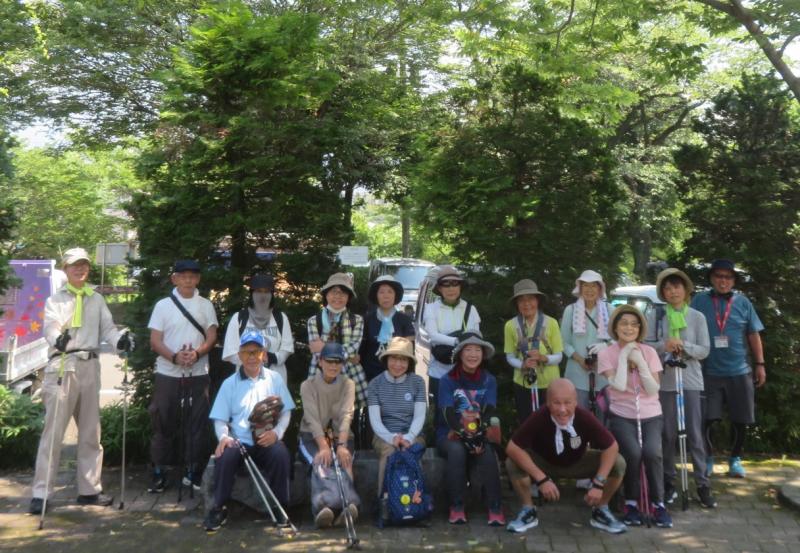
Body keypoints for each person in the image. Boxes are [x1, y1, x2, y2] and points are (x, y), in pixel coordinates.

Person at [29, 248, 133, 514]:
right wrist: (58, 339)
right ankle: (41, 493)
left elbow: (108, 328)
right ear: (66, 268)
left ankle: (89, 489)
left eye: (84, 265)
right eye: (75, 265)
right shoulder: (56, 299)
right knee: (53, 433)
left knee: (90, 432)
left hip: (90, 366)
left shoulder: (96, 299)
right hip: (63, 365)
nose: (80, 269)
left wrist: (118, 340)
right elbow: (50, 326)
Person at [505, 378, 627, 535]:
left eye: (567, 403)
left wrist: (598, 483)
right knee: (512, 462)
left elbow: (612, 447)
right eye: (556, 403)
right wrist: (541, 479)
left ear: (576, 402)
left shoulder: (584, 417)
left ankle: (601, 509)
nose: (562, 410)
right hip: (544, 463)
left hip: (578, 462)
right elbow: (512, 447)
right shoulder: (539, 416)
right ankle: (528, 510)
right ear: (547, 403)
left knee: (618, 462)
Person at [204, 331, 295, 532]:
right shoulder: (229, 384)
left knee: (281, 454)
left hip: (266, 439)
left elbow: (286, 411)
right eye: (246, 352)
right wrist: (224, 438)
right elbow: (220, 418)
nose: (252, 357)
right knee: (225, 455)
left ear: (264, 354)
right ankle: (219, 507)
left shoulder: (275, 379)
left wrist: (277, 433)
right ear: (239, 355)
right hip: (240, 441)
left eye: (256, 352)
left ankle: (281, 507)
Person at [147, 259, 218, 493]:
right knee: (162, 420)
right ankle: (159, 470)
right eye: (183, 275)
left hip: (198, 372)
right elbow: (155, 341)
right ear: (174, 278)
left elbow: (211, 336)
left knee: (197, 424)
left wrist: (197, 353)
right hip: (167, 373)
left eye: (193, 275)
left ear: (198, 279)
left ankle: (192, 470)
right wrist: (174, 357)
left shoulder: (206, 305)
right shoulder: (162, 305)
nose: (188, 279)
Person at [690, 259, 766, 479]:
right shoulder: (699, 300)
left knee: (740, 419)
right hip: (708, 371)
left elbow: (753, 334)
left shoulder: (743, 303)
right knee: (709, 419)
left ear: (733, 280)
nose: (723, 281)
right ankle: (708, 459)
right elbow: (688, 328)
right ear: (712, 279)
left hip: (740, 371)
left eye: (727, 277)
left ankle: (735, 460)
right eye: (719, 276)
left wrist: (760, 364)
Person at [597, 305, 671, 528]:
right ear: (615, 327)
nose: (629, 327)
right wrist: (624, 356)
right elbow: (617, 385)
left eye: (633, 324)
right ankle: (631, 503)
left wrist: (640, 362)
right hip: (621, 414)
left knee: (652, 453)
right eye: (623, 323)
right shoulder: (605, 353)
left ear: (640, 329)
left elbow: (652, 389)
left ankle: (659, 504)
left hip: (651, 414)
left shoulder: (648, 352)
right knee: (632, 452)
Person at [651, 268, 716, 508]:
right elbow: (647, 346)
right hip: (665, 381)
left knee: (695, 435)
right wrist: (665, 345)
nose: (672, 291)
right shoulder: (657, 316)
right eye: (667, 288)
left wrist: (684, 345)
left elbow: (704, 350)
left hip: (690, 380)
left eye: (676, 286)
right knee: (667, 434)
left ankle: (702, 483)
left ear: (685, 289)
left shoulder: (697, 317)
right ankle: (669, 481)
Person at [437, 332, 505, 526]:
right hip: (450, 433)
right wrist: (464, 434)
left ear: (483, 354)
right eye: (468, 349)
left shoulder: (488, 380)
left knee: (487, 451)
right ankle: (456, 506)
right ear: (460, 354)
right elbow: (447, 412)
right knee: (457, 451)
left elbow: (489, 410)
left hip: (479, 431)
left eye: (477, 350)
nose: (473, 354)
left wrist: (480, 435)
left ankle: (495, 506)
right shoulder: (447, 380)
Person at [299, 342, 358, 528]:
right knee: (321, 463)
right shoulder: (307, 385)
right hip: (311, 435)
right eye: (329, 361)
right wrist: (323, 446)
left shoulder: (349, 384)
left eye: (338, 362)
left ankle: (347, 507)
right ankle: (322, 509)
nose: (333, 366)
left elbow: (347, 415)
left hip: (341, 435)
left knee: (345, 463)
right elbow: (311, 418)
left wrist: (341, 446)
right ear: (320, 361)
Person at [367, 337, 427, 497]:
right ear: (386, 359)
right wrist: (392, 438)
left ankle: (417, 505)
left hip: (413, 433)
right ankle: (384, 502)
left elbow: (420, 416)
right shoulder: (375, 384)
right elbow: (375, 421)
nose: (398, 364)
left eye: (403, 360)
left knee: (412, 452)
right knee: (388, 452)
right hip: (383, 435)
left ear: (409, 363)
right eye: (394, 358)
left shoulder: (418, 382)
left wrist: (409, 437)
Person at [503, 279, 563, 425]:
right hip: (523, 383)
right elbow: (510, 356)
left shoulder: (551, 323)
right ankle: (528, 449)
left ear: (537, 301)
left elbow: (559, 356)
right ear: (517, 304)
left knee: (551, 422)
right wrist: (523, 365)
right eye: (521, 300)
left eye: (530, 299)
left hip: (550, 383)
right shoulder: (510, 325)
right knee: (526, 422)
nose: (526, 304)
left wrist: (543, 358)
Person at [422, 265, 480, 415]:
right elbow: (432, 335)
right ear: (439, 289)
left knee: (467, 413)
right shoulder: (431, 308)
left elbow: (477, 336)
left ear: (460, 287)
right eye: (445, 285)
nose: (450, 289)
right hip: (439, 371)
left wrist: (460, 343)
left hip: (465, 371)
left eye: (455, 284)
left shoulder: (470, 309)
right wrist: (458, 342)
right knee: (441, 415)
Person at [222, 273, 294, 384]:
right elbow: (230, 353)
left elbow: (287, 349)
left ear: (272, 294)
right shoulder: (239, 318)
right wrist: (254, 358)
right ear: (252, 294)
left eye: (266, 292)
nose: (262, 296)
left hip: (275, 382)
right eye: (259, 291)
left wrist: (271, 357)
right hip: (245, 381)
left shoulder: (281, 318)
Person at [307, 273, 366, 407]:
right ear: (326, 295)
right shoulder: (313, 321)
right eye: (334, 292)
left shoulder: (356, 320)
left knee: (348, 418)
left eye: (343, 293)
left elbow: (354, 346)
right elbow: (316, 352)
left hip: (350, 376)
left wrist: (325, 348)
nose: (338, 296)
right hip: (320, 375)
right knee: (320, 418)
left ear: (348, 297)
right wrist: (348, 357)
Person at [560, 270, 612, 412]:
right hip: (576, 374)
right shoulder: (570, 310)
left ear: (600, 288)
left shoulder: (609, 309)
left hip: (604, 375)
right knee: (577, 418)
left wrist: (605, 346)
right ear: (580, 288)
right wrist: (580, 359)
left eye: (594, 286)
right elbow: (563, 342)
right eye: (586, 285)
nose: (589, 290)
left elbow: (618, 340)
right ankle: (577, 437)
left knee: (603, 420)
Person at [359, 275, 415, 383]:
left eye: (390, 292)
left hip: (398, 376)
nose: (386, 296)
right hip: (371, 375)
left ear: (395, 296)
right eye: (381, 292)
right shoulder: (367, 319)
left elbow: (410, 353)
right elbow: (362, 350)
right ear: (376, 296)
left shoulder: (404, 320)